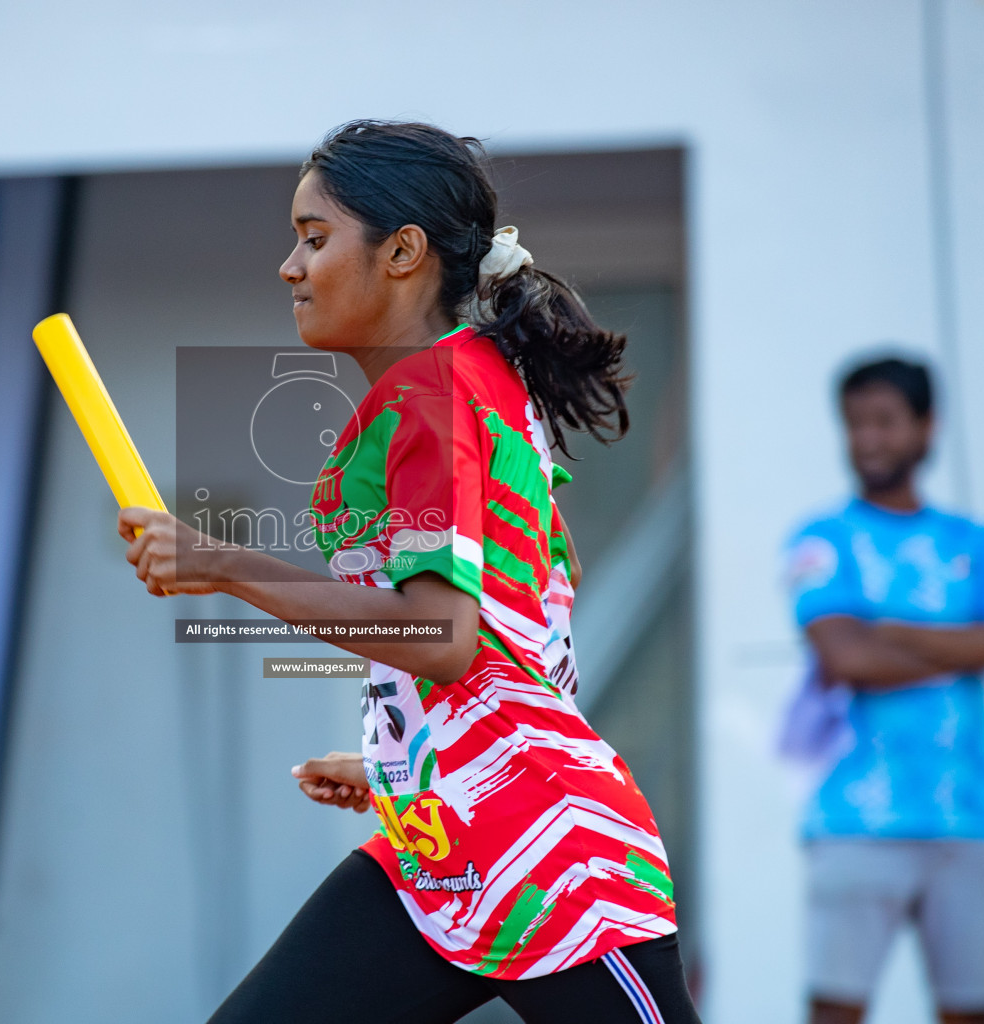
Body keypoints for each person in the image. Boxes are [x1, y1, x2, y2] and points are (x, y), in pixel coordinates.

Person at [119, 121, 701, 1024]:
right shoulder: (463, 383)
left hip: (549, 849)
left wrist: (219, 561)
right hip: (445, 832)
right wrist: (409, 759)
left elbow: (438, 635)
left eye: (314, 238)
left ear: (402, 253)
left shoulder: (436, 391)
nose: (290, 267)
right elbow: (522, 635)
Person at [783, 356, 984, 1024]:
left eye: (887, 422)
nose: (869, 439)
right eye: (856, 423)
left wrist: (894, 631)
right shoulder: (820, 539)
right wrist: (965, 641)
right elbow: (848, 657)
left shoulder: (979, 542)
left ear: (927, 428)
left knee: (971, 1011)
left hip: (971, 819)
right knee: (835, 1010)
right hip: (854, 820)